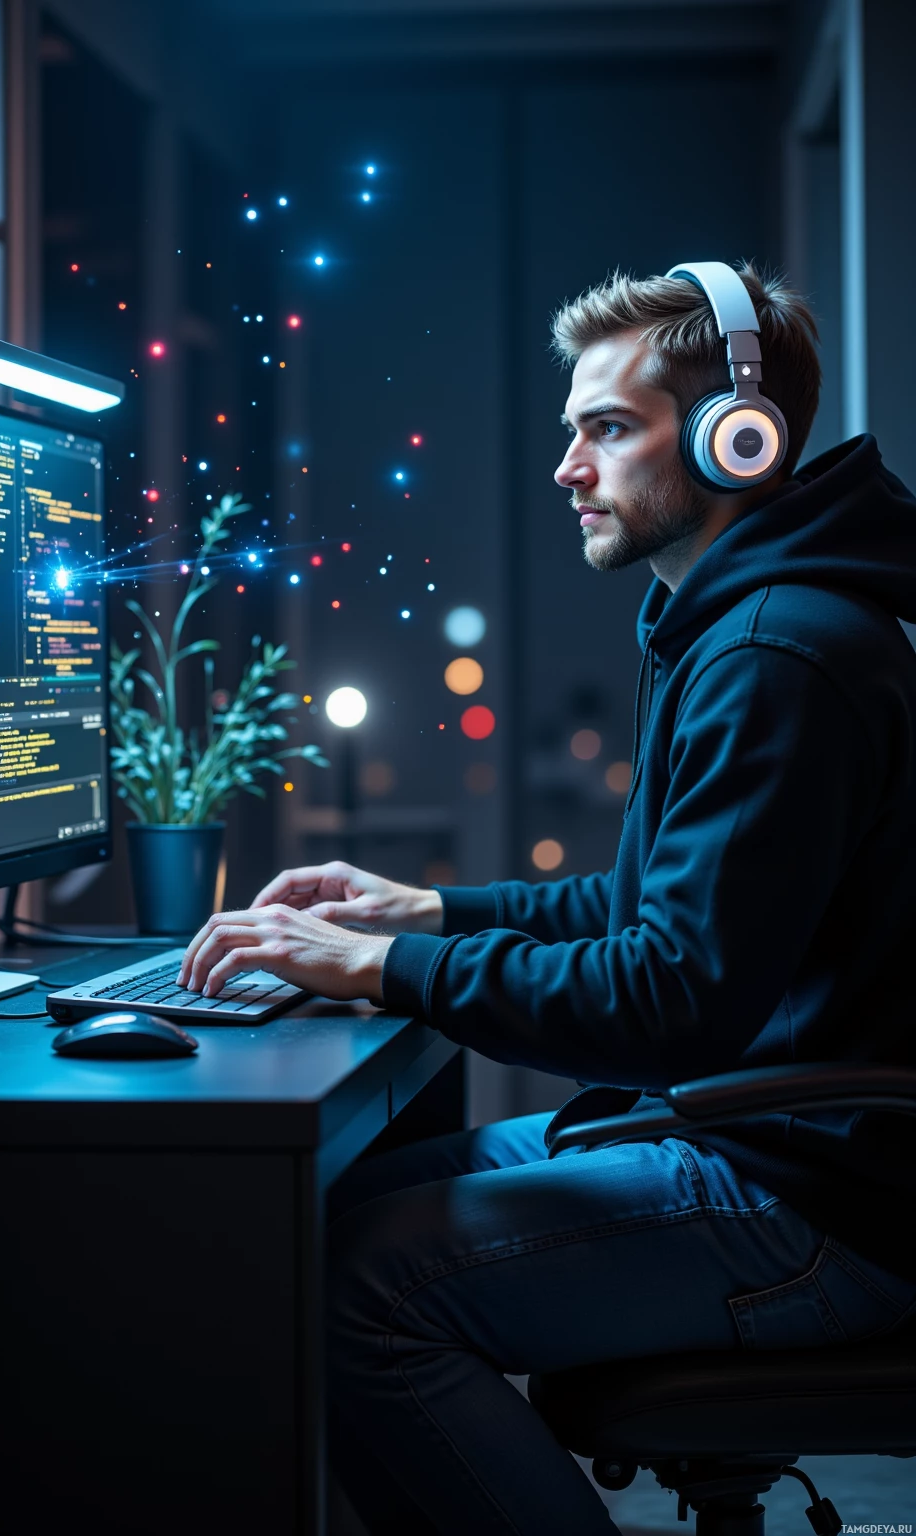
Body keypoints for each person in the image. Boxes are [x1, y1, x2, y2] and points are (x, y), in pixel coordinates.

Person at [178, 262, 916, 1533]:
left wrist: (384, 972)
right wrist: (422, 915)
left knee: (360, 1289)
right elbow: (648, 908)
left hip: (822, 1208)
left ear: (736, 439)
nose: (569, 468)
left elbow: (668, 999)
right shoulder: (733, 622)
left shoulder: (775, 653)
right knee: (327, 1207)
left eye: (608, 429)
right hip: (774, 1144)